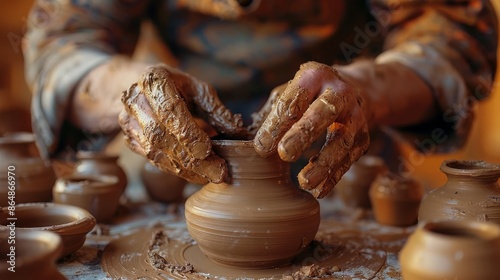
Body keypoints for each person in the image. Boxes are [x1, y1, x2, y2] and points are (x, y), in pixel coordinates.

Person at [23, 0, 497, 198]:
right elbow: (63, 39)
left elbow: (452, 31)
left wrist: (366, 88)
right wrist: (128, 92)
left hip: (342, 143)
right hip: (173, 146)